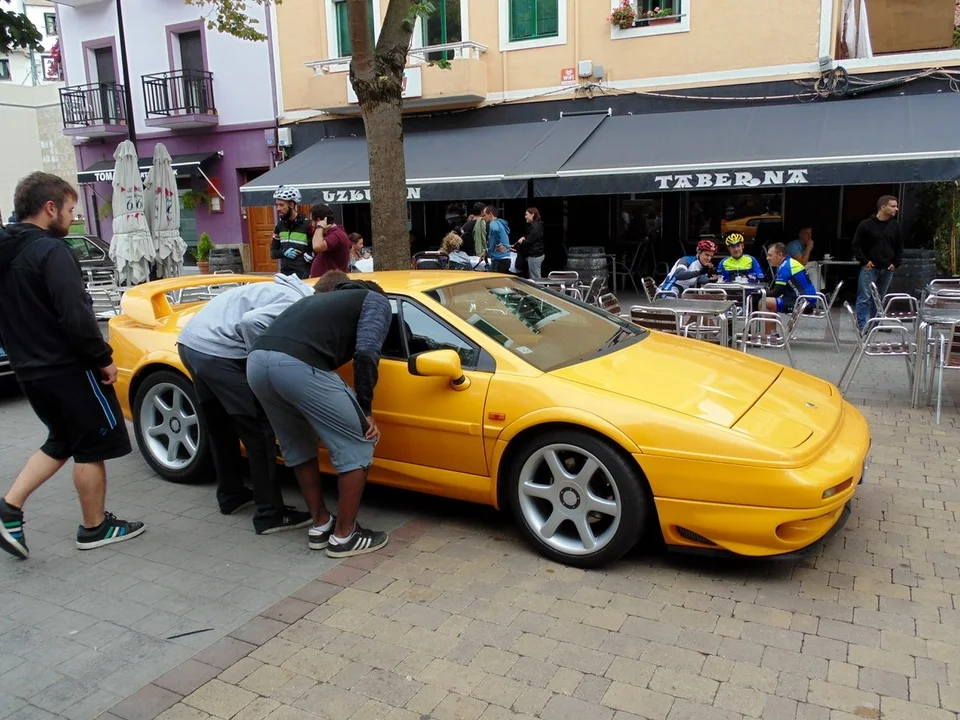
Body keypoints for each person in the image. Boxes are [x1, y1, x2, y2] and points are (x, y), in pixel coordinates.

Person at [0, 172, 143, 560]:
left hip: (29, 369)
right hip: (67, 368)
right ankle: (95, 527)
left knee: (61, 440)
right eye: (70, 209)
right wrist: (102, 359)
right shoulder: (52, 251)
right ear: (50, 208)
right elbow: (76, 315)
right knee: (91, 445)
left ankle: (9, 508)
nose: (72, 216)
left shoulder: (6, 252)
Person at [247, 270, 392, 557]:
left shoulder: (313, 301)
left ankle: (321, 524)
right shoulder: (376, 300)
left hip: (256, 362)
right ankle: (345, 536)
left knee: (297, 444)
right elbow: (366, 353)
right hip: (295, 364)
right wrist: (365, 408)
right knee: (359, 440)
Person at [177, 273, 316, 534]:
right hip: (217, 352)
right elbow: (251, 321)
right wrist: (257, 366)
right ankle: (269, 515)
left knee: (220, 425)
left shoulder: (286, 290)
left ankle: (231, 495)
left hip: (190, 343)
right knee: (258, 431)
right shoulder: (297, 302)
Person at [852, 195, 903, 331]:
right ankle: (862, 325)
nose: (896, 209)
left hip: (887, 268)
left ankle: (876, 324)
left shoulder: (895, 226)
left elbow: (899, 246)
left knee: (879, 298)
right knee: (864, 297)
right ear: (883, 207)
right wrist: (864, 261)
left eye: (896, 206)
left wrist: (896, 263)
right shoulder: (866, 225)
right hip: (870, 267)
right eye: (893, 206)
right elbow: (856, 245)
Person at [270, 185, 314, 279]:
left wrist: (310, 254)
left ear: (291, 205)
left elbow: (316, 250)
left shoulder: (307, 225)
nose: (278, 208)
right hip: (285, 274)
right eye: (277, 205)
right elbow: (273, 253)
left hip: (303, 275)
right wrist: (284, 252)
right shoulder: (280, 226)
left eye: (281, 205)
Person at [765, 242, 817, 316]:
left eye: (770, 255)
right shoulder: (789, 262)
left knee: (764, 302)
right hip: (806, 300)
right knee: (770, 303)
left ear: (780, 255)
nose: (767, 258)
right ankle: (772, 324)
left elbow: (777, 292)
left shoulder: (785, 267)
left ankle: (770, 324)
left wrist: (761, 293)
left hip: (803, 303)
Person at [309, 203, 350, 277]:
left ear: (318, 220)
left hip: (331, 282)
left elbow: (317, 246)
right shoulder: (332, 234)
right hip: (325, 281)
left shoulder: (337, 235)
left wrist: (319, 227)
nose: (311, 224)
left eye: (312, 221)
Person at [516, 207, 546, 280]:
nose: (525, 217)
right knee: (534, 277)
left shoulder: (535, 226)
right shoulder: (536, 225)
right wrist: (524, 237)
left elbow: (529, 241)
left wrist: (521, 242)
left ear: (532, 215)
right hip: (535, 254)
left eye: (526, 214)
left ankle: (539, 288)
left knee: (535, 279)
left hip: (535, 255)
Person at [481, 205, 511, 273]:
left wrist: (498, 245)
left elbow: (495, 230)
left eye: (484, 215)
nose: (483, 218)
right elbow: (493, 241)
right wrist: (486, 251)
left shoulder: (493, 223)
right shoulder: (500, 223)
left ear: (490, 214)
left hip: (499, 260)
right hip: (504, 259)